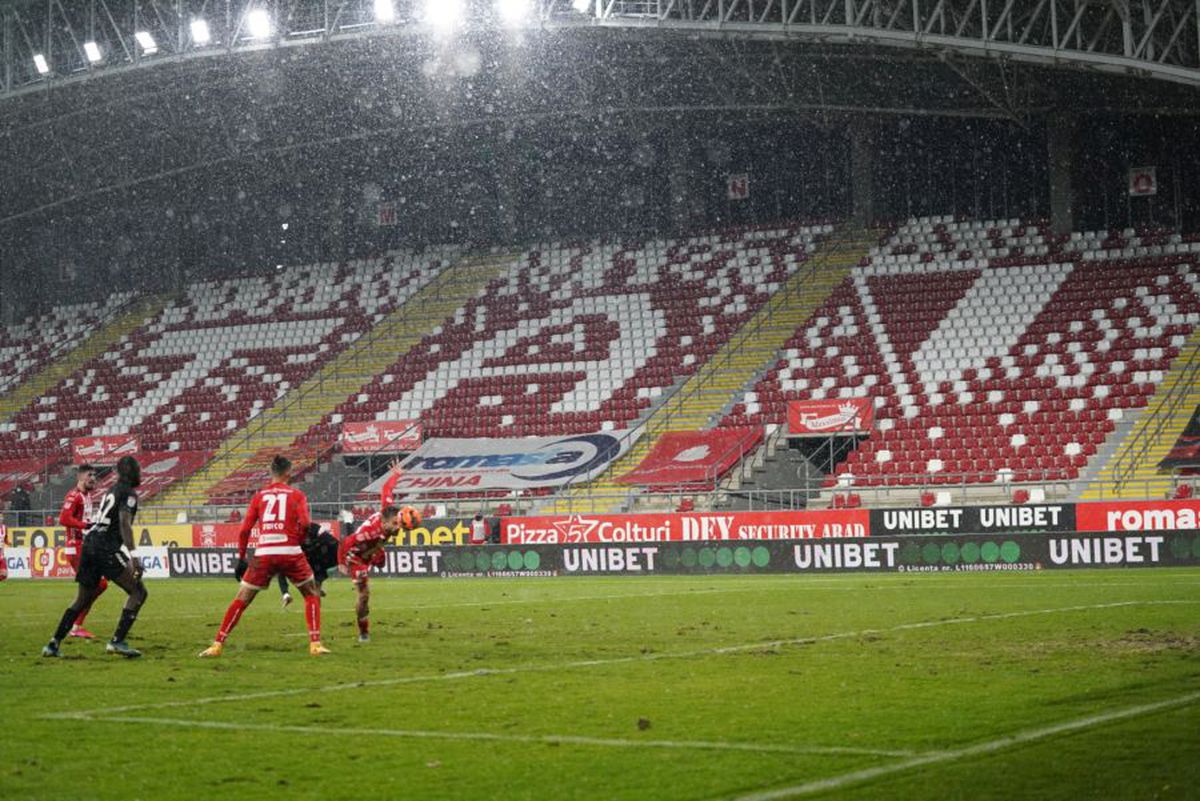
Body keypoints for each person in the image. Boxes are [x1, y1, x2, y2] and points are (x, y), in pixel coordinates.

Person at [199, 455, 328, 657]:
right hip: (290, 551)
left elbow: (244, 530)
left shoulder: (259, 496)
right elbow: (304, 524)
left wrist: (241, 557)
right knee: (311, 593)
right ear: (289, 473)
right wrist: (299, 541)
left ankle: (217, 644)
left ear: (271, 472)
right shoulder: (297, 495)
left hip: (265, 552)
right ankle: (315, 644)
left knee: (242, 598)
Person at [41, 456, 148, 659]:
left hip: (90, 544)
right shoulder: (129, 494)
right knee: (138, 591)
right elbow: (125, 524)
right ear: (132, 472)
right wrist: (134, 556)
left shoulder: (112, 490)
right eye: (138, 470)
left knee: (83, 598)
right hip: (105, 547)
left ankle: (53, 644)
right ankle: (117, 642)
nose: (140, 474)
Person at [59, 464, 105, 639]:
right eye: (89, 475)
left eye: (95, 476)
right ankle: (75, 626)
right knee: (96, 586)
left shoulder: (87, 496)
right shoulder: (74, 495)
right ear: (80, 477)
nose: (93, 478)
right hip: (75, 547)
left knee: (99, 585)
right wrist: (85, 525)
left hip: (84, 546)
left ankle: (75, 624)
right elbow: (64, 518)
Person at [278, 522, 340, 609]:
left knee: (314, 589)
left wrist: (340, 560)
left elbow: (334, 544)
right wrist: (285, 593)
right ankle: (314, 598)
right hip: (308, 562)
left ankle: (315, 612)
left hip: (319, 560)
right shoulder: (288, 539)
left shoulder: (314, 528)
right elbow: (281, 570)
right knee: (311, 591)